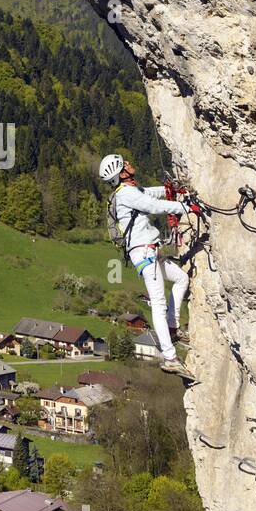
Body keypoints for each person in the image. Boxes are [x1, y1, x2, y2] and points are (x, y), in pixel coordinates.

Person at [99, 153, 195, 378]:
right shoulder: (125, 195)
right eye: (126, 164)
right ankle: (170, 357)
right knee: (159, 303)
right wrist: (186, 208)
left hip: (150, 250)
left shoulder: (131, 191)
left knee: (182, 279)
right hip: (144, 253)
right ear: (121, 173)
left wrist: (176, 191)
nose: (131, 164)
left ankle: (172, 328)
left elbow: (153, 193)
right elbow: (154, 206)